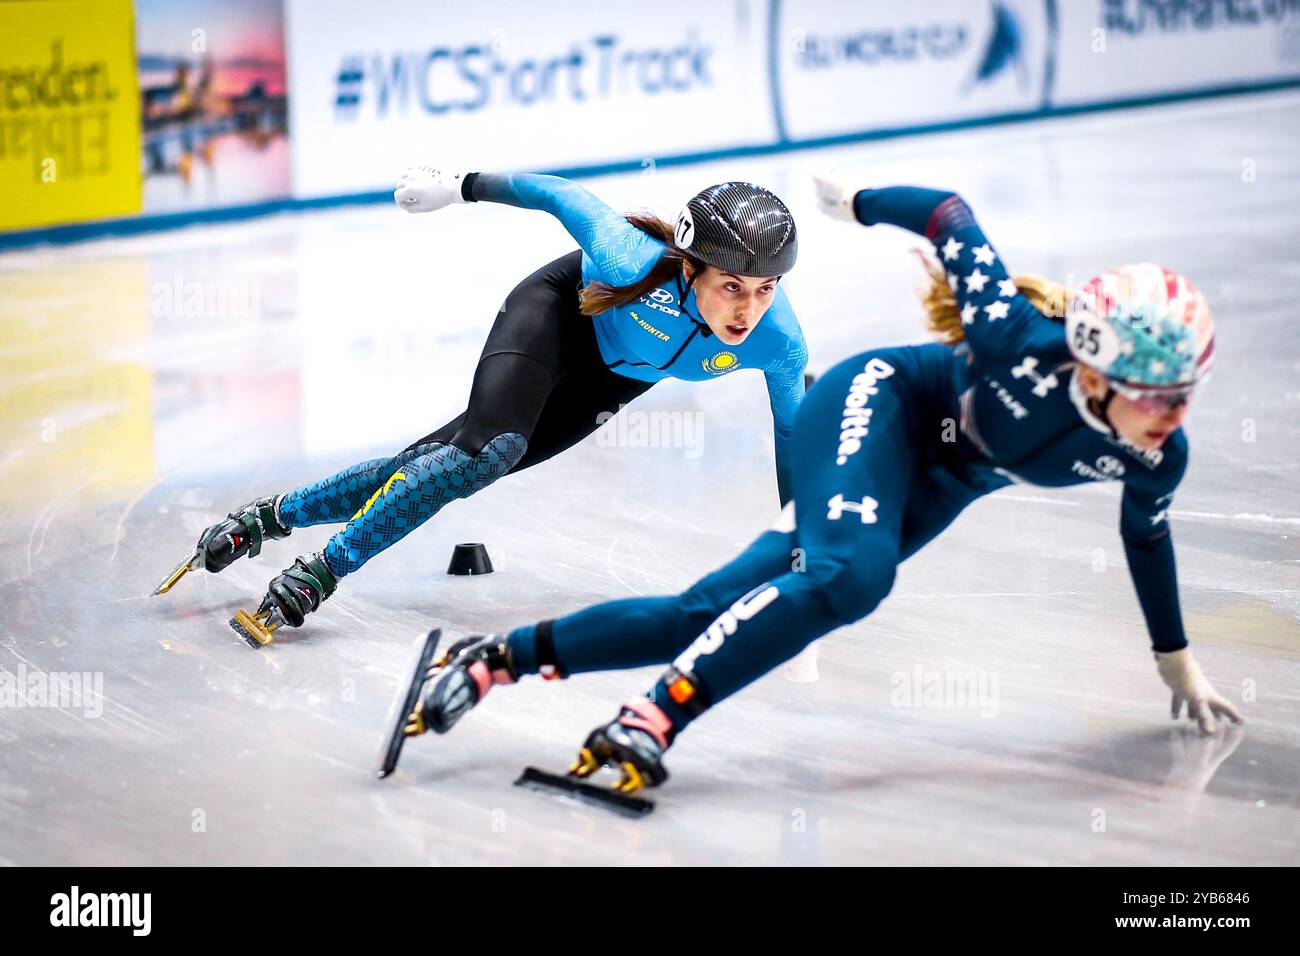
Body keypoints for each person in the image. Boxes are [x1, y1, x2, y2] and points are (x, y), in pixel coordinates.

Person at [397, 178, 1242, 794]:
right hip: (878, 405)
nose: (1173, 415)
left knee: (705, 612)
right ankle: (650, 720)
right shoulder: (1015, 337)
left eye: (1186, 395)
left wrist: (1176, 661)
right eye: (1158, 395)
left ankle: (499, 661)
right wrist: (857, 204)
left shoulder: (1155, 456)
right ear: (1096, 367)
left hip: (939, 483)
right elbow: (950, 215)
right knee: (853, 577)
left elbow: (1148, 536)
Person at [156, 168, 807, 645]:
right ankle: (324, 569)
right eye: (731, 286)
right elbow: (560, 195)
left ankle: (268, 517)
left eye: (766, 288)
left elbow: (793, 438)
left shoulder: (778, 342)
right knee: (486, 453)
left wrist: (804, 536)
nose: (748, 309)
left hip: (607, 383)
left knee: (431, 468)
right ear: (691, 267)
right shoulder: (629, 257)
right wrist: (461, 185)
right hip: (553, 318)